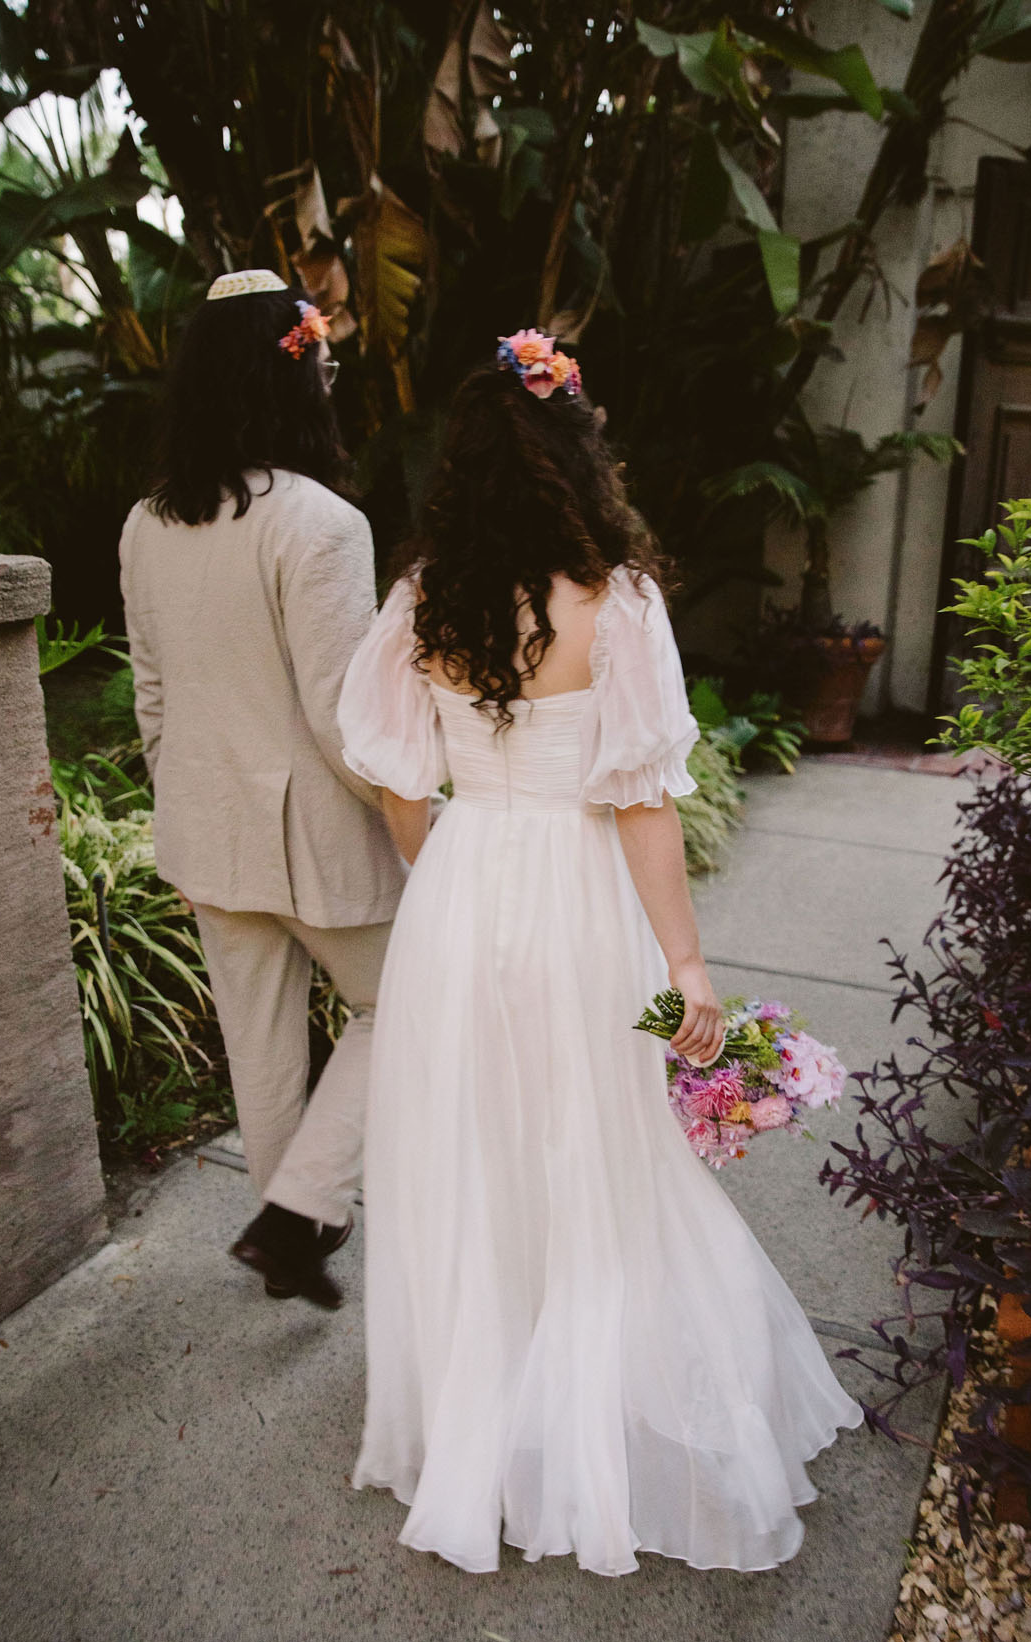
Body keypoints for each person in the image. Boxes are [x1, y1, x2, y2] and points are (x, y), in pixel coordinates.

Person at [337, 330, 862, 1576]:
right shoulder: (615, 602)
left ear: (458, 467)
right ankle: (586, 1417)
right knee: (599, 1148)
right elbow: (641, 804)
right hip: (581, 906)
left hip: (462, 898)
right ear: (580, 455)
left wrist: (443, 868)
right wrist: (684, 969)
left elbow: (395, 780)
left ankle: (484, 1408)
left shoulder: (422, 600)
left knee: (471, 1151)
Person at [121, 269, 404, 1308]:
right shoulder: (323, 524)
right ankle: (299, 1215)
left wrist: (185, 791)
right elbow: (345, 719)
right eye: (324, 362)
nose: (330, 377)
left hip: (207, 830)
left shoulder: (146, 523)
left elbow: (151, 695)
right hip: (318, 834)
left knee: (262, 1043)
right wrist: (417, 817)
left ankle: (301, 1227)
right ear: (291, 380)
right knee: (402, 1002)